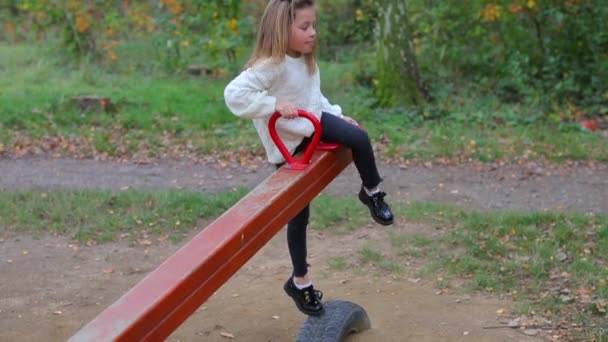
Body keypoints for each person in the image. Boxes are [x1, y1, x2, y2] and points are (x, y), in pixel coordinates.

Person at [223, 0, 394, 316]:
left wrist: (339, 117)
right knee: (297, 214)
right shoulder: (269, 66)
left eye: (313, 25)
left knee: (358, 136)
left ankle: (372, 192)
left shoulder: (304, 59)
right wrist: (274, 104)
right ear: (281, 29)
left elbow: (314, 99)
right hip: (289, 144)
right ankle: (300, 281)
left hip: (311, 126)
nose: (312, 33)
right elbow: (234, 95)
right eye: (304, 27)